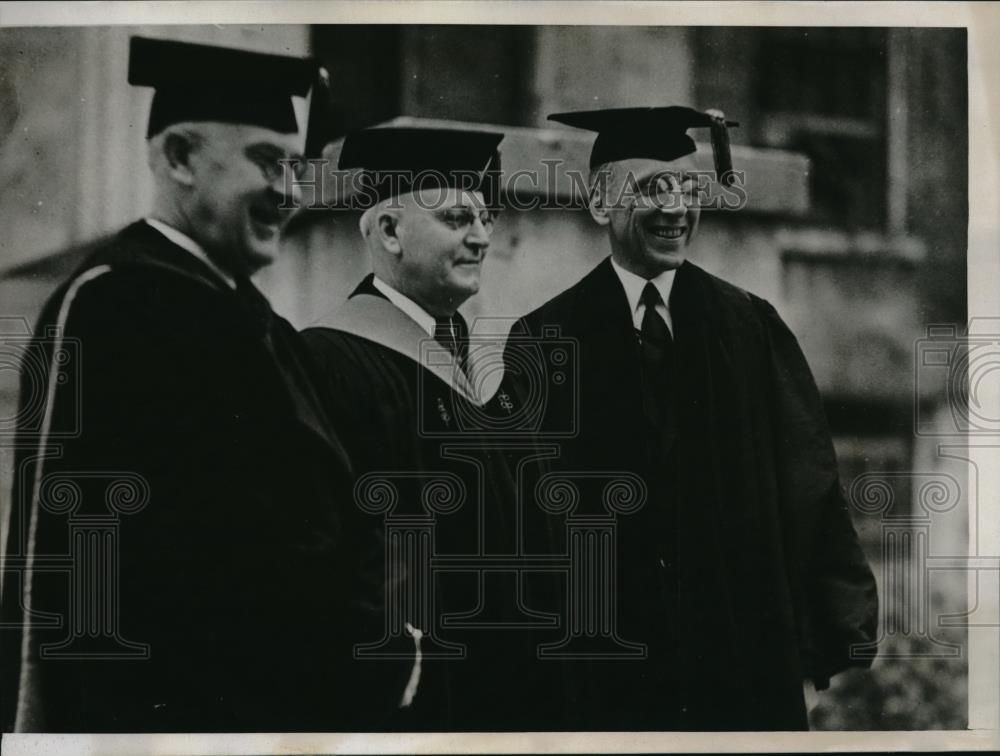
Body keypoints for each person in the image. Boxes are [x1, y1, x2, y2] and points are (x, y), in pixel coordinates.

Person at [1, 36, 352, 732]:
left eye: (296, 167)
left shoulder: (263, 324)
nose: (289, 191)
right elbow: (68, 571)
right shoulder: (112, 306)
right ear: (180, 157)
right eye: (266, 161)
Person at [502, 105, 879, 730]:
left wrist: (822, 645)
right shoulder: (545, 340)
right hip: (606, 676)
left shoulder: (749, 325)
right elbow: (523, 520)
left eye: (689, 187)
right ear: (600, 203)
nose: (676, 206)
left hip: (742, 662)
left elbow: (810, 486)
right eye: (653, 187)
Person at [301, 126, 561, 730]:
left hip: (508, 686)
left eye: (485, 218)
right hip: (415, 696)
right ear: (389, 231)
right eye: (455, 218)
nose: (481, 237)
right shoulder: (330, 361)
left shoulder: (487, 366)